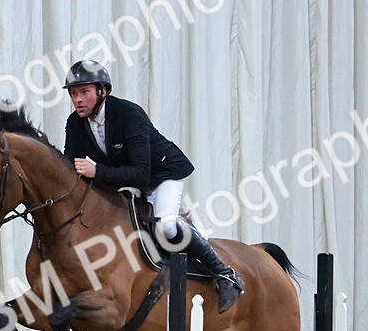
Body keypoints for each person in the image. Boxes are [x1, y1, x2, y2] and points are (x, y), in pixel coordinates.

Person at [61, 59, 244, 313]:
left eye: (84, 92)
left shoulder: (129, 115)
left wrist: (97, 171)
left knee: (166, 226)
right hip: (124, 180)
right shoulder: (75, 123)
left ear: (102, 91)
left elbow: (140, 172)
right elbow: (71, 166)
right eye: (73, 93)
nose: (77, 99)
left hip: (160, 175)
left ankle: (225, 274)